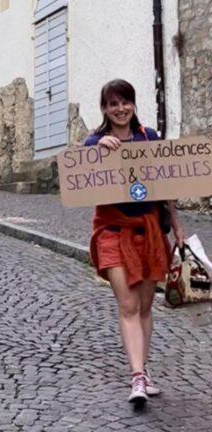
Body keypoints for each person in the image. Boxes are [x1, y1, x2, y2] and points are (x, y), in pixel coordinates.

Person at [85, 79, 185, 404]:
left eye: (125, 102)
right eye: (113, 104)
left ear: (133, 104)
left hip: (150, 231)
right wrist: (98, 151)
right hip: (112, 230)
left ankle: (143, 367)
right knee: (127, 305)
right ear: (104, 109)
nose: (120, 108)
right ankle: (137, 377)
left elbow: (164, 184)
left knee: (144, 307)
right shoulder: (95, 142)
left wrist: (178, 225)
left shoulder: (149, 138)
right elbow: (81, 175)